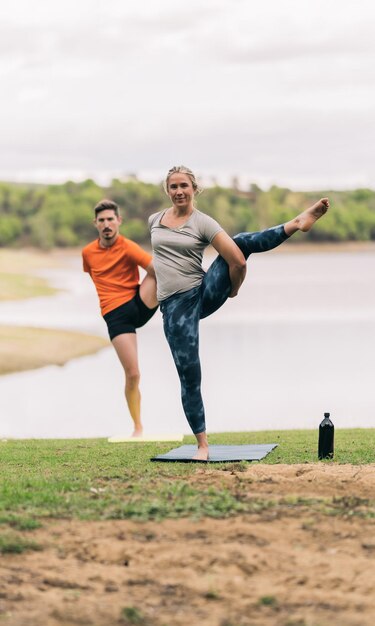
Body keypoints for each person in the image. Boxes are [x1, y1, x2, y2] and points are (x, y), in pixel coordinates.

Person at [149, 165, 330, 460]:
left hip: (202, 292)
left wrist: (233, 289)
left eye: (184, 186)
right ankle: (202, 442)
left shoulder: (203, 223)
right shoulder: (154, 221)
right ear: (167, 190)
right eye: (173, 187)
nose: (179, 191)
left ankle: (297, 222)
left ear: (194, 189)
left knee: (242, 242)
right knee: (189, 375)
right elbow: (159, 262)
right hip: (173, 307)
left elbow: (238, 262)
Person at [82, 199, 158, 437]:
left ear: (118, 222)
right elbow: (93, 275)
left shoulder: (128, 246)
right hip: (116, 316)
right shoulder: (88, 253)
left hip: (138, 302)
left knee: (161, 271)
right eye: (102, 220)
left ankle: (183, 301)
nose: (106, 224)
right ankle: (137, 426)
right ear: (96, 224)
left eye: (110, 219)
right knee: (133, 373)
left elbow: (154, 269)